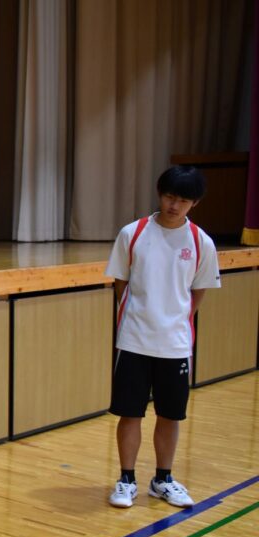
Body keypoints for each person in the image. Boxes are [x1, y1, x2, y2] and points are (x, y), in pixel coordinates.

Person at [104, 165, 221, 509]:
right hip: (134, 340)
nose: (174, 205)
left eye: (183, 200)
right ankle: (127, 479)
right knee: (130, 413)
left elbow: (198, 291)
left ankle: (163, 479)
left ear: (194, 203)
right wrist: (141, 315)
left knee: (170, 415)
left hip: (175, 344)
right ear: (160, 194)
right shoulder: (133, 233)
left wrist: (174, 320)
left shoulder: (201, 242)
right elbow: (121, 282)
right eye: (169, 197)